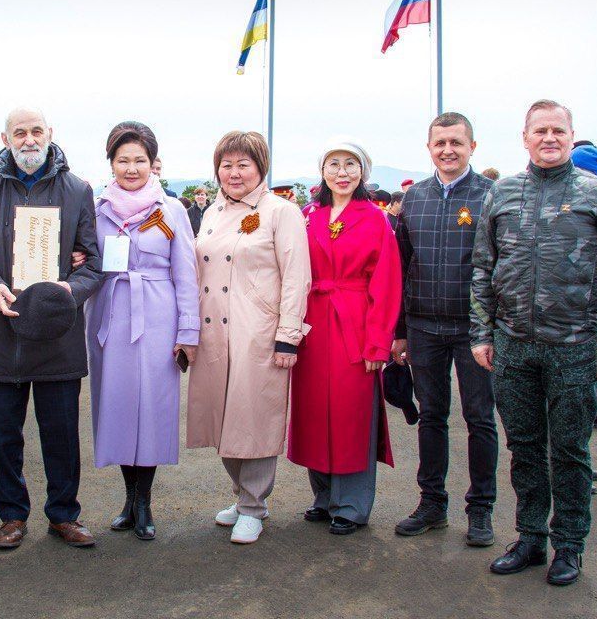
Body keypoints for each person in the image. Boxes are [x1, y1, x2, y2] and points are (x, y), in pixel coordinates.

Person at [471, 100, 597, 587]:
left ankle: (570, 544)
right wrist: (482, 332)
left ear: (571, 136)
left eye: (558, 131)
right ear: (524, 137)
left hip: (573, 347)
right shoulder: (502, 193)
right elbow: (483, 268)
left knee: (569, 451)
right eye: (539, 130)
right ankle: (528, 537)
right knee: (524, 446)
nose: (549, 138)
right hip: (513, 346)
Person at [0, 106, 103, 550]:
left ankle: (64, 514)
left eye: (36, 130)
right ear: (5, 139)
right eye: (19, 133)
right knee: (3, 435)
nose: (29, 139)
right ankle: (12, 515)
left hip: (57, 333)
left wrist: (66, 291)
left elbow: (92, 264)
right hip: (2, 332)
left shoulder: (78, 190)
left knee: (61, 433)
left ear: (50, 134)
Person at [187, 130, 311, 545]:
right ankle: (243, 497)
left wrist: (288, 335)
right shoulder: (212, 212)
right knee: (221, 416)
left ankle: (255, 505)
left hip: (257, 328)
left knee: (254, 417)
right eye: (226, 164)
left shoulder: (281, 212)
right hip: (212, 328)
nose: (234, 172)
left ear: (261, 167)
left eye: (243, 164)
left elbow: (297, 277)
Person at [88, 121, 199, 542]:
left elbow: (186, 273)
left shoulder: (171, 209)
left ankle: (145, 501)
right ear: (111, 163)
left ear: (153, 163)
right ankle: (128, 498)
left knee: (151, 408)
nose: (131, 168)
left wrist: (187, 332)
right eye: (123, 160)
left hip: (158, 314)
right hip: (112, 312)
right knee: (116, 406)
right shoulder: (96, 209)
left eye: (140, 160)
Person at [391, 112, 498, 547]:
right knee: (431, 416)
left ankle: (481, 510)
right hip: (423, 326)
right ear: (429, 148)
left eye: (456, 142)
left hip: (475, 330)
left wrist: (492, 330)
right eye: (440, 143)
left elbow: (501, 267)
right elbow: (401, 268)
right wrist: (399, 331)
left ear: (473, 146)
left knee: (479, 419)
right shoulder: (414, 198)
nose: (448, 150)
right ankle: (432, 503)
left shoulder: (492, 195)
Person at [289, 141, 400, 537]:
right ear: (322, 171)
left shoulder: (375, 219)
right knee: (316, 411)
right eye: (333, 164)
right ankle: (323, 496)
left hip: (355, 322)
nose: (342, 172)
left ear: (362, 172)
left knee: (352, 415)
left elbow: (386, 285)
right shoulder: (307, 215)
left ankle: (351, 505)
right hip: (313, 325)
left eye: (350, 165)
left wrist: (378, 344)